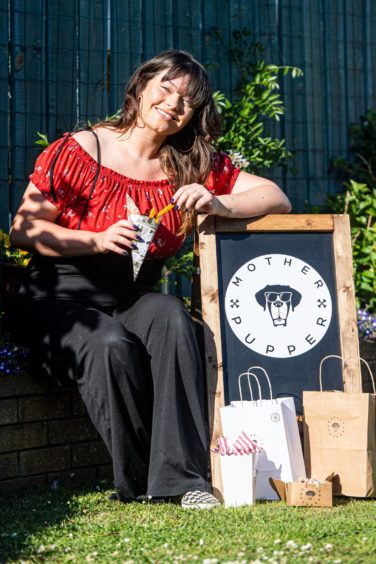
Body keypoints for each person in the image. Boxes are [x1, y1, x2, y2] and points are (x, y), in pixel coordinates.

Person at [8, 50, 291, 509]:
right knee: (108, 343)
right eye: (166, 88)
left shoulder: (190, 163)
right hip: (55, 294)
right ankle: (141, 483)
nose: (174, 103)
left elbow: (276, 197)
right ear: (139, 88)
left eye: (188, 100)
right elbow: (25, 229)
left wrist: (218, 203)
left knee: (171, 315)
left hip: (132, 293)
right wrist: (94, 241)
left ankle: (182, 481)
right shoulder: (84, 149)